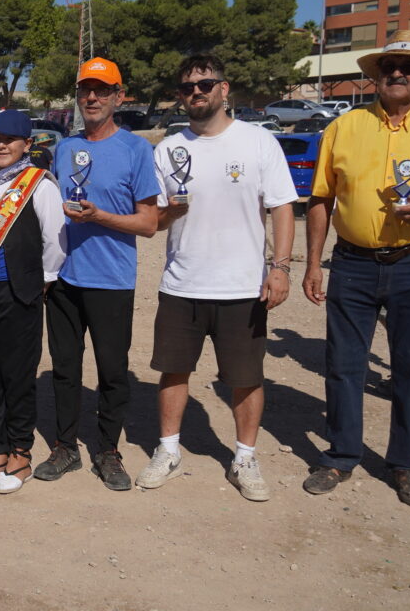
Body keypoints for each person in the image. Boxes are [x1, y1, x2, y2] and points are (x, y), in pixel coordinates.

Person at [302, 30, 410, 508]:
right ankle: (341, 455)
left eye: (408, 67)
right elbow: (321, 198)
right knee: (343, 366)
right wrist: (313, 264)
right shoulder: (343, 127)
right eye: (388, 66)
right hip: (353, 264)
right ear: (376, 75)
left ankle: (407, 464)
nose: (397, 73)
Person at [135, 55, 297, 502]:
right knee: (173, 371)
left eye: (205, 85)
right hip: (182, 284)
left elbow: (282, 206)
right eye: (187, 88)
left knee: (246, 377)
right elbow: (157, 220)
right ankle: (168, 449)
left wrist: (280, 268)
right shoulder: (168, 148)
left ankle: (244, 456)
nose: (196, 93)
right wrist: (170, 211)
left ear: (224, 89)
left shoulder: (259, 142)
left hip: (243, 285)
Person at [36, 58, 159, 490]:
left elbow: (148, 223)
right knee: (66, 370)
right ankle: (65, 447)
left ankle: (107, 451)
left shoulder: (137, 150)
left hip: (111, 281)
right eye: (86, 89)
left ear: (118, 97)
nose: (92, 97)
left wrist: (101, 217)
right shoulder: (65, 148)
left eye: (102, 90)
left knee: (112, 371)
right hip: (65, 280)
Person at [0, 109, 65, 495]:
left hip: (17, 292)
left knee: (17, 375)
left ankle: (20, 452)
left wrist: (42, 282)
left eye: (10, 139)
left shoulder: (40, 184)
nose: (1, 145)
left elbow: (55, 241)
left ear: (26, 144)